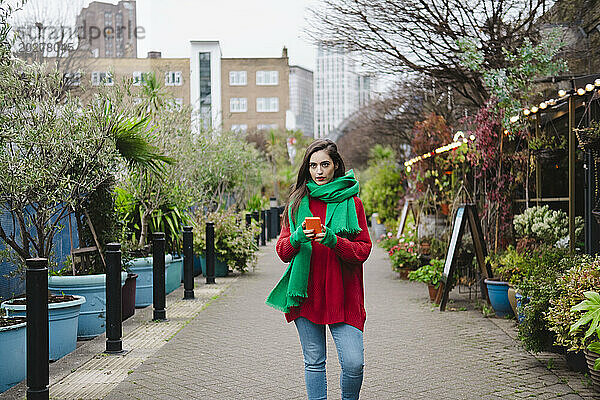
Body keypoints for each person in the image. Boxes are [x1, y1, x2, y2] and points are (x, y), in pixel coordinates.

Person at [266, 139, 372, 400]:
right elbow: (282, 251)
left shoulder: (352, 202)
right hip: (307, 293)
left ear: (335, 165)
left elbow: (363, 250)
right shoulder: (296, 203)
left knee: (353, 363)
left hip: (344, 293)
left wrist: (333, 241)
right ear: (307, 168)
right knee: (314, 362)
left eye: (325, 164)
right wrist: (298, 237)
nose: (319, 171)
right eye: (313, 166)